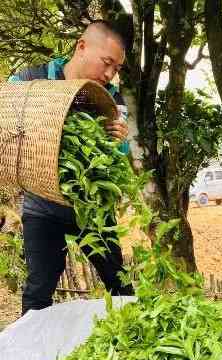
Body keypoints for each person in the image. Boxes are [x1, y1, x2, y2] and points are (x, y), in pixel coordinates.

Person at [8, 20, 135, 316]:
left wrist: (120, 141)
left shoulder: (111, 99)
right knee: (38, 292)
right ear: (81, 46)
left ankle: (133, 340)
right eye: (107, 63)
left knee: (121, 284)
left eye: (116, 69)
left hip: (91, 206)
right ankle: (33, 356)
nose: (109, 74)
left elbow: (121, 157)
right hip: (43, 204)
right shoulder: (31, 80)